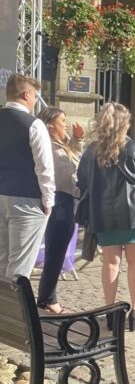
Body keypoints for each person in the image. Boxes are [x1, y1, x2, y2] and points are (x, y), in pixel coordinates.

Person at [77, 103, 135, 330]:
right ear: (125, 123)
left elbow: (82, 182)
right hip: (134, 212)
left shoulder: (92, 151)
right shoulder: (134, 148)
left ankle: (110, 310)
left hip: (103, 213)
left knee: (110, 263)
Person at [0, 73, 54, 280]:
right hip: (27, 199)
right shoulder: (33, 124)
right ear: (25, 95)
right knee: (20, 266)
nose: (34, 101)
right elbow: (44, 168)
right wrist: (48, 201)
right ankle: (15, 311)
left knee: (2, 261)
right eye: (34, 96)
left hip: (1, 194)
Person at [36, 108, 84, 313]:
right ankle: (48, 299)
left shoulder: (60, 144)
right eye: (62, 120)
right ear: (50, 125)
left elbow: (74, 159)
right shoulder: (49, 147)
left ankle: (46, 297)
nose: (66, 124)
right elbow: (68, 175)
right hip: (61, 201)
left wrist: (77, 140)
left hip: (66, 200)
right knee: (55, 252)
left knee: (58, 251)